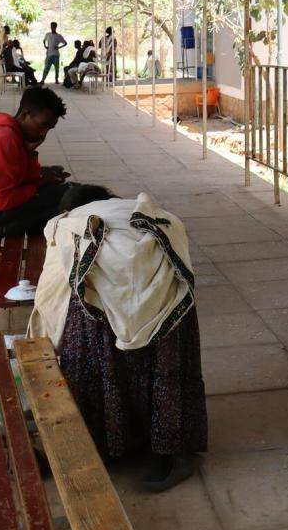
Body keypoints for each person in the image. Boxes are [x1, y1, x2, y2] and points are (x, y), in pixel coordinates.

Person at [30, 185, 206, 493]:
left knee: (90, 356)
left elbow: (50, 291)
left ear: (70, 208)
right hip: (166, 307)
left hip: (97, 315)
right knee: (165, 369)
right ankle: (172, 451)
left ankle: (104, 443)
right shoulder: (157, 217)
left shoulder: (66, 224)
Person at [0, 86, 71, 240]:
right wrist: (37, 186)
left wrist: (30, 155)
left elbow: (19, 177)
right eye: (42, 125)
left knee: (60, 191)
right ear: (25, 114)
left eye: (49, 128)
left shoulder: (11, 133)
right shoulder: (3, 139)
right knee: (67, 202)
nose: (44, 134)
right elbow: (2, 201)